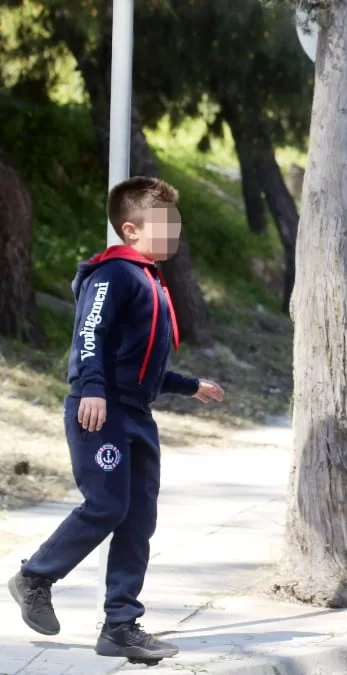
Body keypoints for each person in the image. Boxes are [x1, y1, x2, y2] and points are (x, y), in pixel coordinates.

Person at [7, 177, 224, 661]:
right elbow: (90, 335)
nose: (175, 237)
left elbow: (141, 363)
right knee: (106, 505)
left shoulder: (149, 278)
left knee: (138, 518)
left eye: (177, 228)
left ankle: (121, 625)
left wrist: (190, 386)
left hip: (136, 414)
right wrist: (92, 389)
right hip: (100, 411)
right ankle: (35, 576)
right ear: (130, 229)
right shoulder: (114, 274)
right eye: (166, 228)